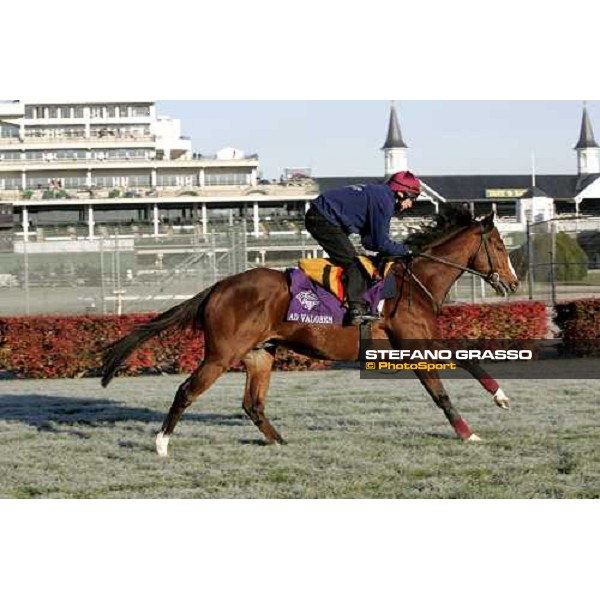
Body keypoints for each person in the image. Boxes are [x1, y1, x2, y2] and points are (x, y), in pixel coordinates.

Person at [305, 170, 422, 325]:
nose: (411, 204)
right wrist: (406, 250)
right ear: (400, 193)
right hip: (323, 219)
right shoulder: (384, 201)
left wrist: (392, 249)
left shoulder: (382, 195)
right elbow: (380, 243)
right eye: (412, 198)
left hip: (325, 216)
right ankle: (356, 309)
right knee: (354, 263)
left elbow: (370, 242)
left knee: (353, 260)